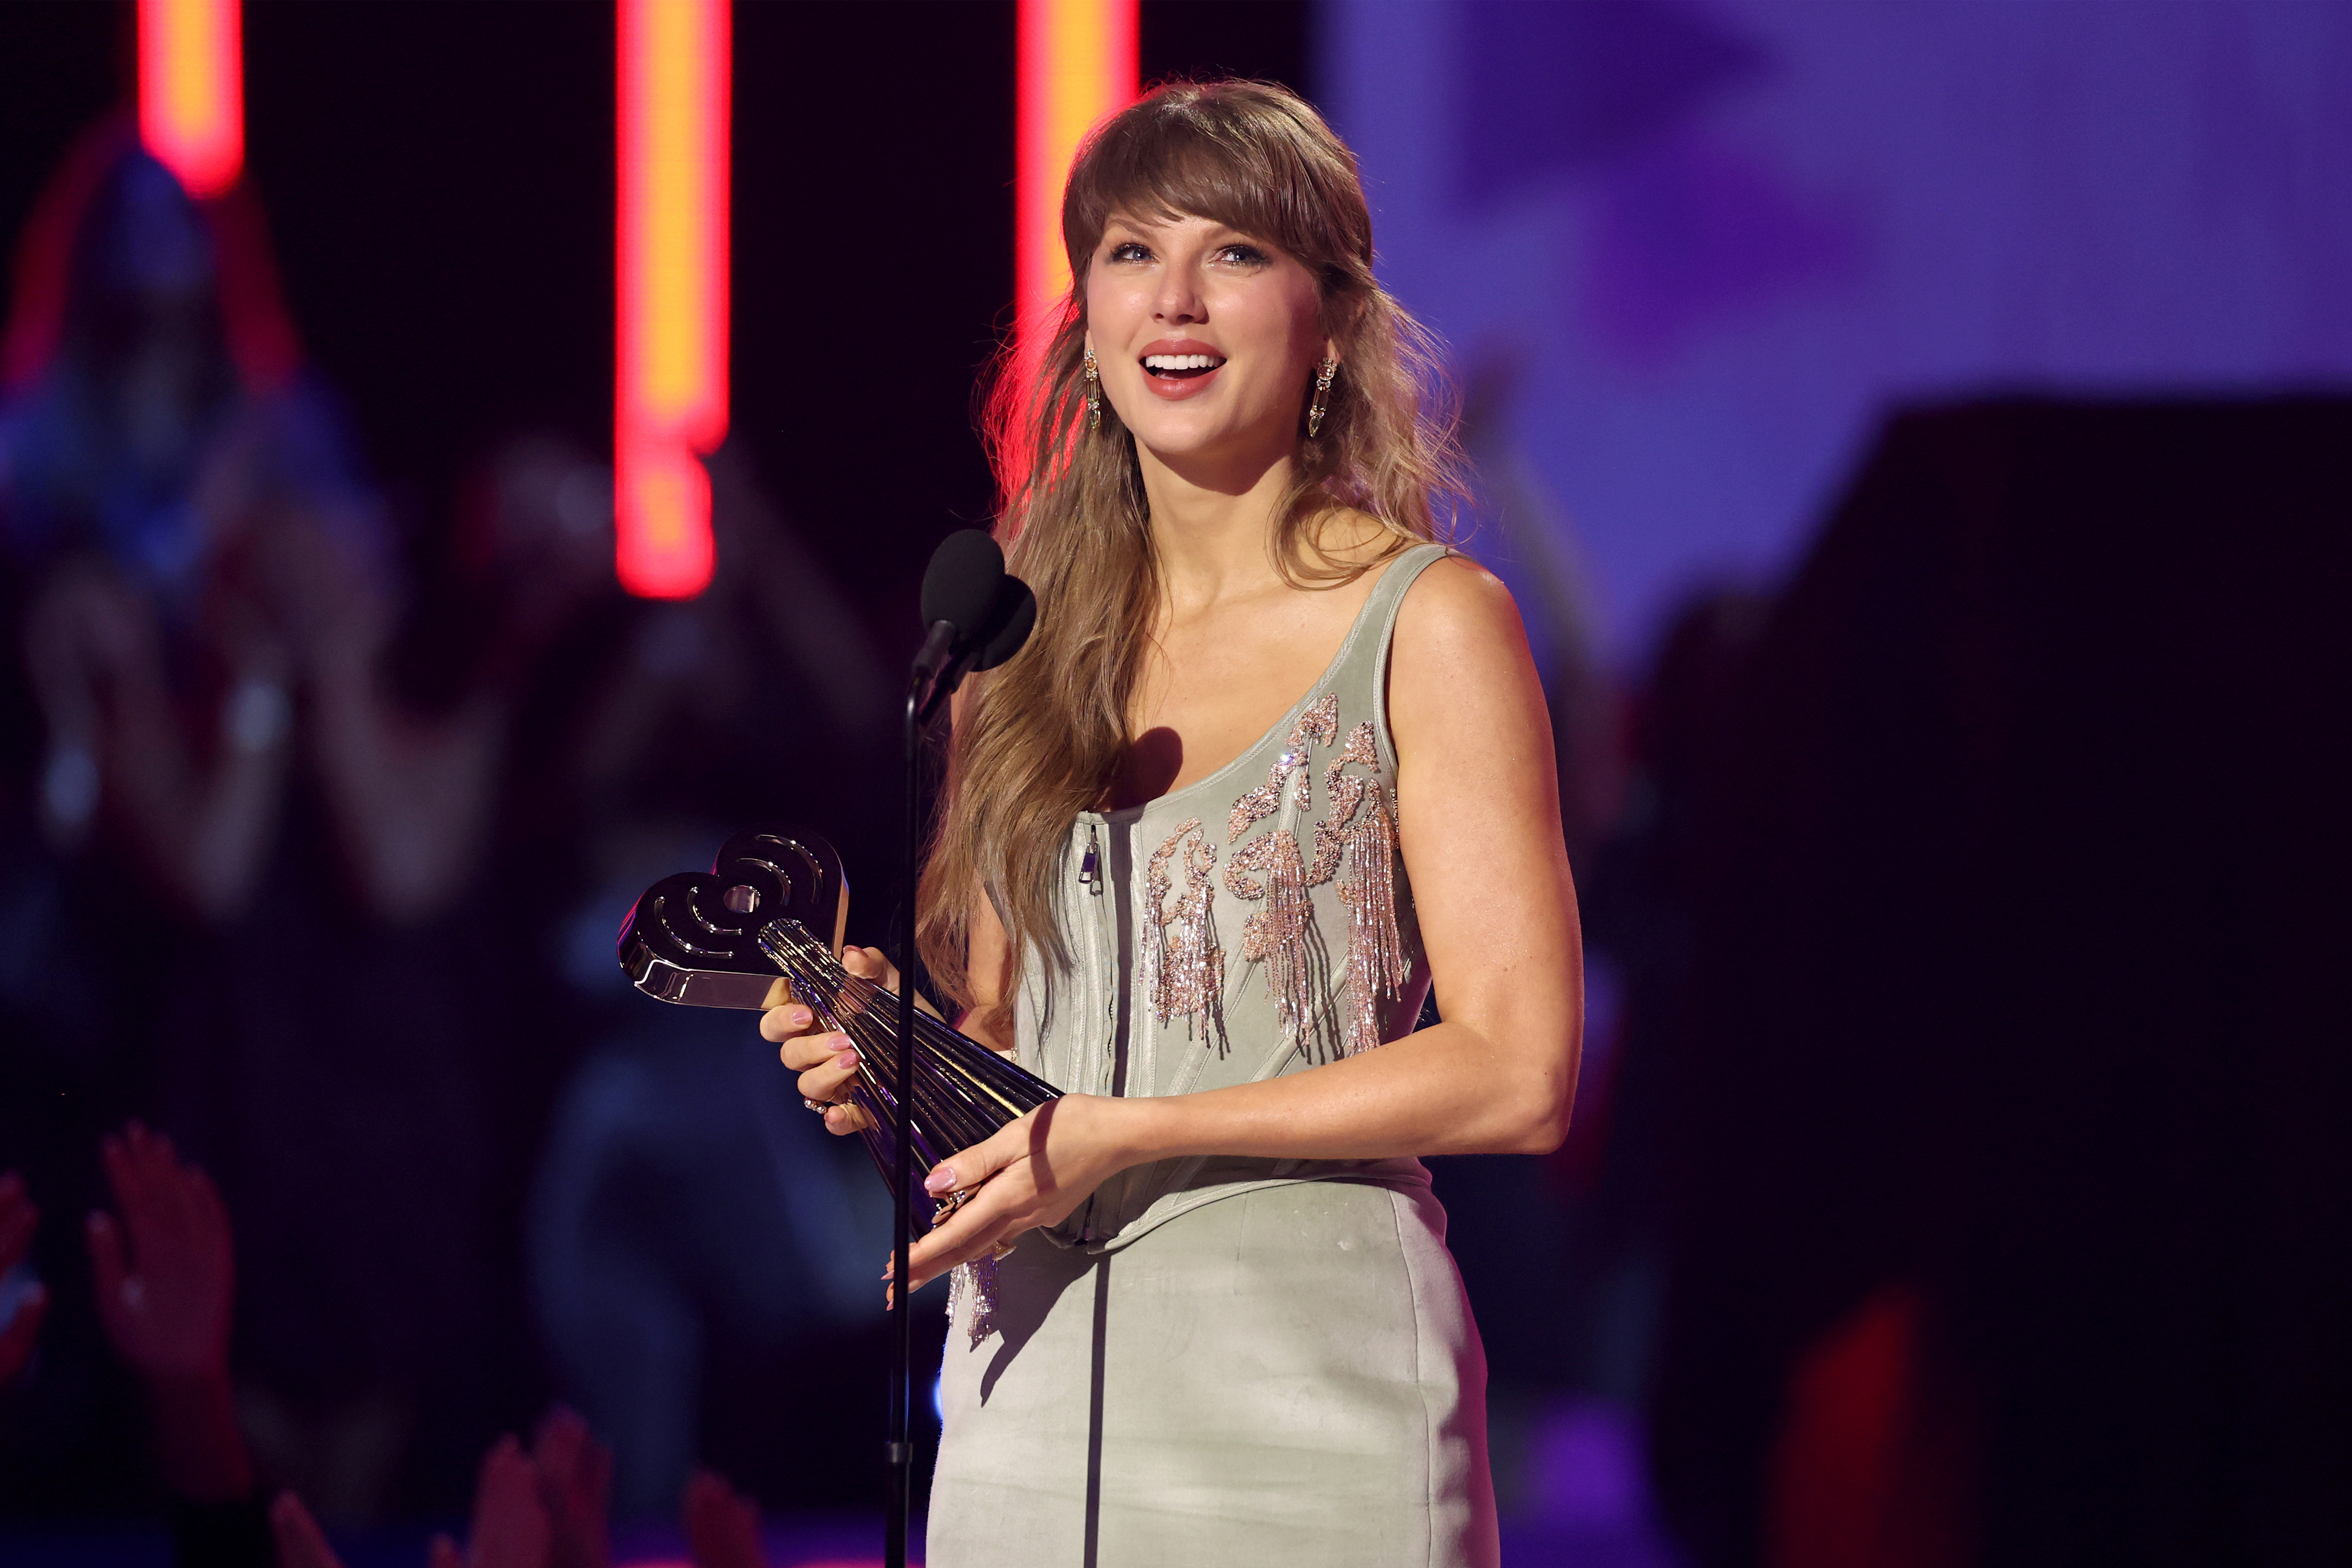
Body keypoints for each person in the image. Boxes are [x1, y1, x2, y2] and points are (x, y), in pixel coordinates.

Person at [766, 81, 1582, 1566]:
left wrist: (1120, 1133)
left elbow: (1518, 1068)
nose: (1176, 299)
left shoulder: (1428, 622)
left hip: (1315, 1402)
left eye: (1235, 253)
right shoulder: (1011, 635)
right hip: (1026, 1404)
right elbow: (1020, 1060)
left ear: (1329, 318)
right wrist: (901, 1059)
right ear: (1084, 316)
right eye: (1132, 252)